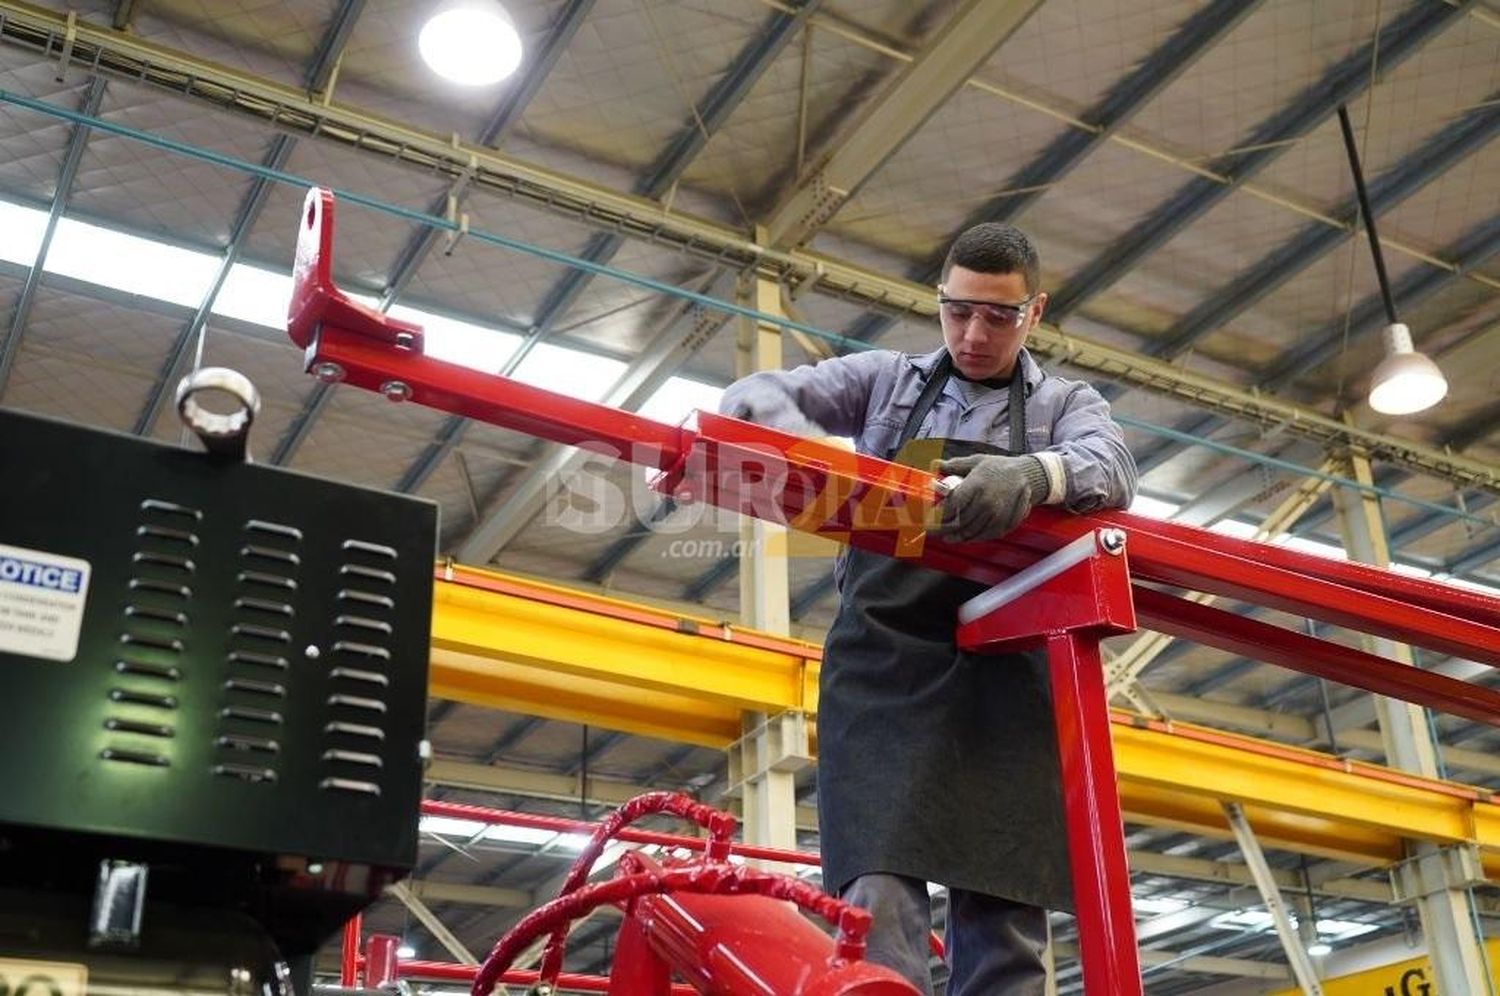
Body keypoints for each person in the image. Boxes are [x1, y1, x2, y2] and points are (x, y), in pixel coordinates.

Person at [718, 223, 1137, 995]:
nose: (974, 334)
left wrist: (1036, 477)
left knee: (1005, 915)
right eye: (958, 311)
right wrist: (784, 435)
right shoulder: (887, 383)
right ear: (940, 300)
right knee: (876, 894)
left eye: (1000, 317)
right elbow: (767, 394)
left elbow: (1111, 464)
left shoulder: (1062, 405)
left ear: (1035, 312)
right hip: (885, 660)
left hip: (1008, 674)